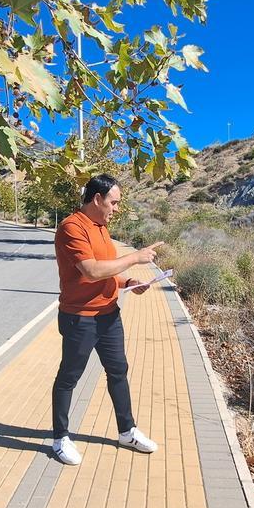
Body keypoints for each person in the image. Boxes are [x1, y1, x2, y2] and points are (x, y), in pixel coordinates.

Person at [51, 173, 163, 466]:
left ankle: (127, 431)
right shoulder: (71, 227)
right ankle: (60, 437)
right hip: (80, 317)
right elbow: (90, 271)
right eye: (114, 202)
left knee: (118, 371)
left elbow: (108, 270)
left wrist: (128, 283)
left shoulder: (101, 227)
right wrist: (135, 258)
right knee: (69, 377)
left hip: (108, 314)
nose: (116, 208)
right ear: (97, 198)